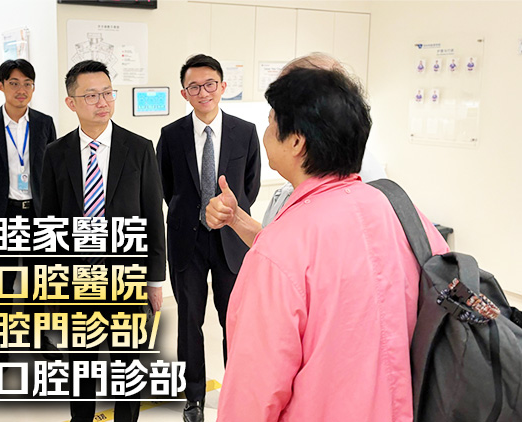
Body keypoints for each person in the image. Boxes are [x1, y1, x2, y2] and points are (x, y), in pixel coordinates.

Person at [216, 68, 449, 421]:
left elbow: (252, 393)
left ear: (296, 142)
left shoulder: (280, 248)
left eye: (271, 121)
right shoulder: (403, 213)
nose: (266, 132)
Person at [40, 60, 165, 422]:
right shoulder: (56, 153)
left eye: (108, 93)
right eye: (91, 95)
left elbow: (153, 217)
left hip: (127, 277)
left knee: (127, 367)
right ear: (71, 103)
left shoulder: (139, 148)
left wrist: (154, 280)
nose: (103, 102)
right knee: (80, 366)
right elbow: (48, 222)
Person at [156, 54, 260, 422]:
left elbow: (250, 185)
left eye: (210, 84)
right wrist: (196, 215)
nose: (203, 92)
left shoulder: (245, 131)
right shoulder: (171, 135)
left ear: (223, 86)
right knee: (189, 322)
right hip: (188, 241)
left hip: (232, 240)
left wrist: (227, 216)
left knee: (235, 321)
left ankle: (238, 392)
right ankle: (194, 398)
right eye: (194, 87)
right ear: (184, 93)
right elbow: (167, 187)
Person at [205, 53, 387, 245]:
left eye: (274, 119)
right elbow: (278, 244)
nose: (267, 131)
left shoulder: (346, 192)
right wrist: (236, 218)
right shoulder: (314, 172)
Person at [0, 59, 58, 365]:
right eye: (14, 83)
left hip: (37, 213)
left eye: (27, 84)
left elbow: (51, 166)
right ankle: (1, 342)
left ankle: (37, 336)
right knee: (2, 280)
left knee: (37, 279)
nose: (22, 90)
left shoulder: (44, 123)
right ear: (1, 86)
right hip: (3, 212)